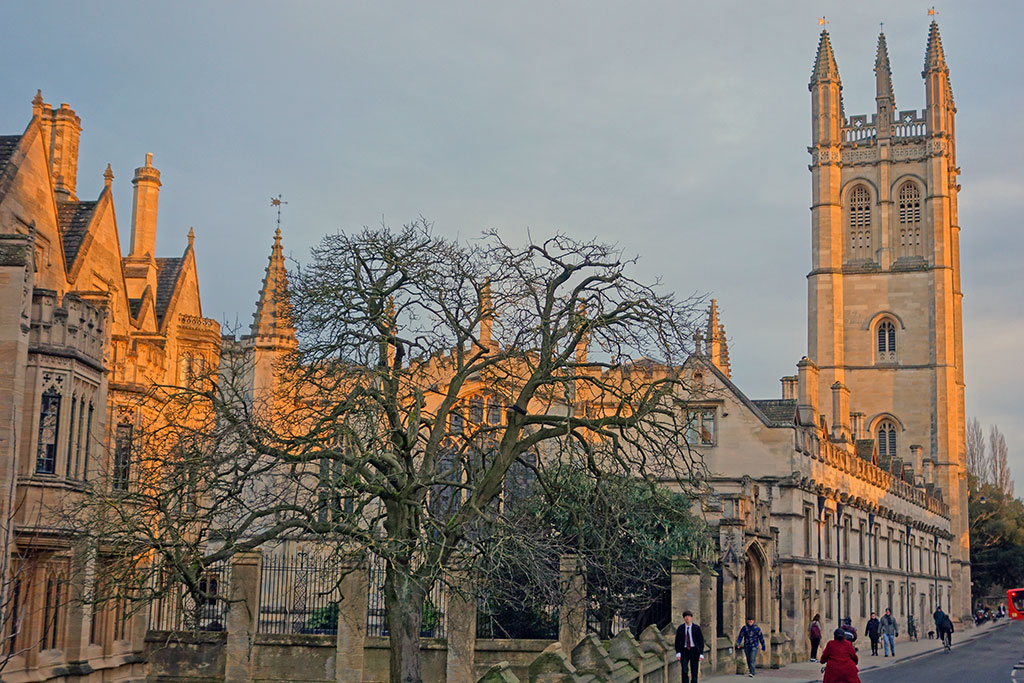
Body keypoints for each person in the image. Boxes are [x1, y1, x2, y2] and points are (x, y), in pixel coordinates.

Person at [675, 610, 705, 683]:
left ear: (691, 618)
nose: (687, 618)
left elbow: (701, 641)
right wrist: (678, 652)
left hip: (694, 650)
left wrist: (701, 653)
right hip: (684, 650)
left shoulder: (696, 628)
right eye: (685, 616)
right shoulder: (680, 628)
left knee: (694, 669)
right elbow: (677, 641)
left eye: (688, 616)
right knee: (684, 669)